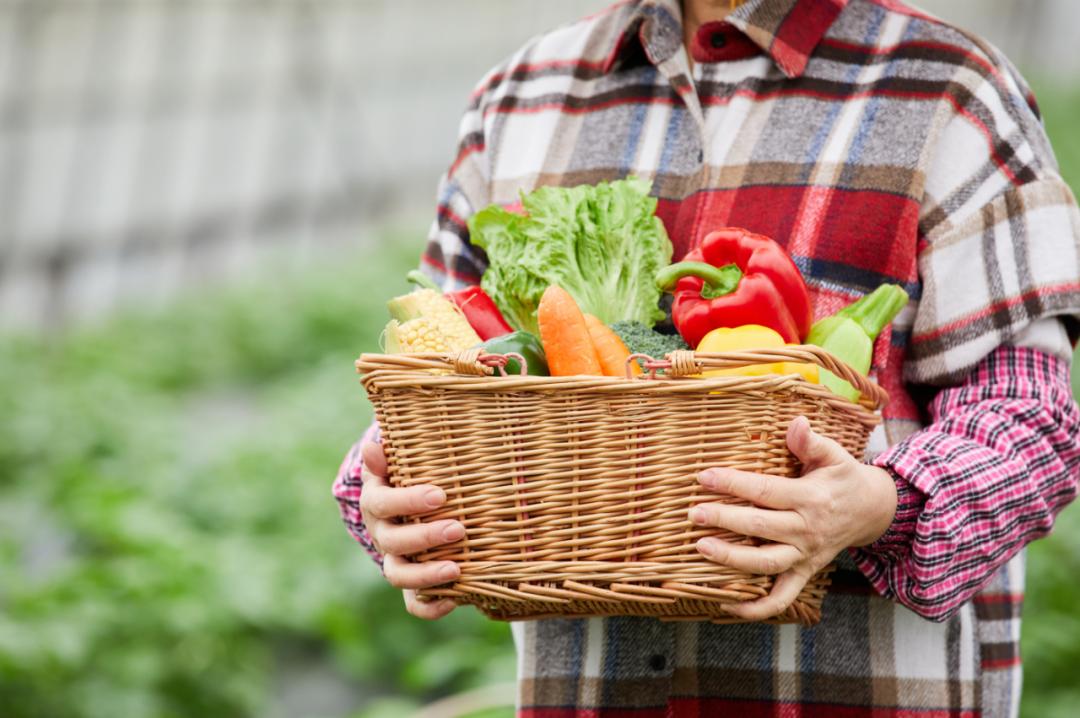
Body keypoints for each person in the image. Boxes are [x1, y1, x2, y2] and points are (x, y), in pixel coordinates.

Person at [334, 0, 1080, 715]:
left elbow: (1033, 427)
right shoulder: (519, 98)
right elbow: (433, 369)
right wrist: (387, 496)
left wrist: (876, 506)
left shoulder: (950, 91)